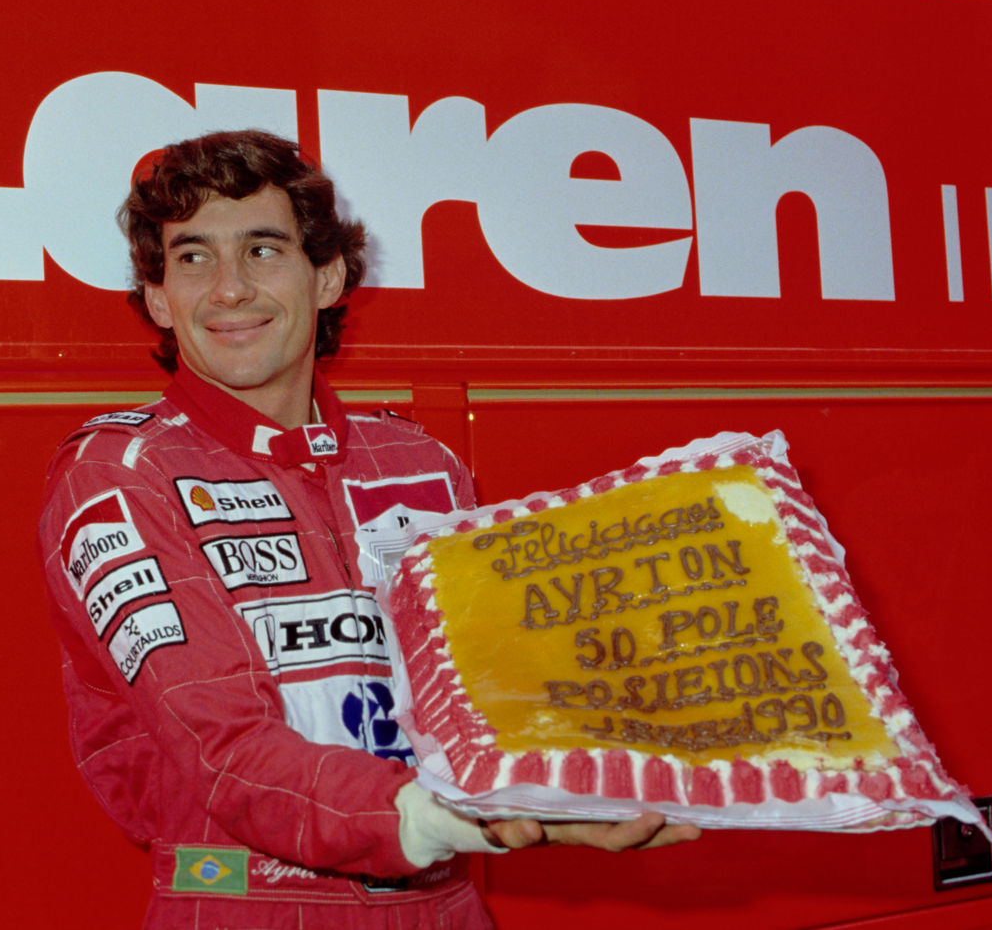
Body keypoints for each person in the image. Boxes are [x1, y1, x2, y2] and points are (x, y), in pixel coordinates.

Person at [36, 129, 698, 929]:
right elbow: (227, 755)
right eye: (192, 257)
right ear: (156, 298)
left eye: (263, 249)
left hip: (444, 902)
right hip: (245, 903)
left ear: (328, 277)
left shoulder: (422, 463)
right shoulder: (116, 475)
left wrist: (611, 756)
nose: (229, 289)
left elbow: (495, 698)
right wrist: (443, 818)